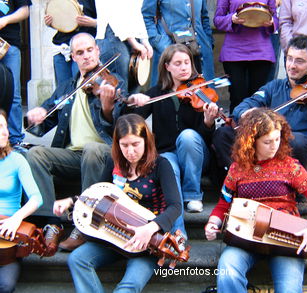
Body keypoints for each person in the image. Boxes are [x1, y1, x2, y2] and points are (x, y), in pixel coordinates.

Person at [205, 108, 307, 293]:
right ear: (251, 142)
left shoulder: (290, 166)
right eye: (267, 142)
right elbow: (223, 204)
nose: (274, 146)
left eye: (277, 139)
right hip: (246, 238)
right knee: (228, 272)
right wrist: (212, 222)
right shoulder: (236, 169)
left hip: (286, 239)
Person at [53, 113, 182, 293]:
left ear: (146, 140)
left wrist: (150, 228)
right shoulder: (114, 163)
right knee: (77, 260)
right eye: (124, 145)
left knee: (128, 287)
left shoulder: (161, 165)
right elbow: (96, 194)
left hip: (146, 242)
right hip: (113, 235)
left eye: (136, 144)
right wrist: (71, 200)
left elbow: (175, 206)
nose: (130, 151)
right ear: (117, 144)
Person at [25, 32, 127, 252]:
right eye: (80, 53)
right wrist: (36, 114)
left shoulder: (115, 82)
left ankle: (84, 223)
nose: (86, 56)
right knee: (35, 154)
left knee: (91, 148)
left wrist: (108, 109)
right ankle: (52, 224)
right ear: (73, 57)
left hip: (104, 154)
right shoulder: (67, 87)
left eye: (90, 50)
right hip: (73, 156)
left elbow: (121, 124)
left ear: (98, 51)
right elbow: (44, 120)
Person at [212, 35, 307, 188]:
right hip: (265, 150)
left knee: (298, 140)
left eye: (299, 61)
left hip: (298, 157)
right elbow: (243, 107)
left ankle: (297, 194)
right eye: (289, 59)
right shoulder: (274, 87)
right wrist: (247, 113)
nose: (292, 65)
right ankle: (246, 183)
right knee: (223, 134)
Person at [128, 44, 219, 219]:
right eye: (177, 63)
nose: (184, 67)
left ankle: (193, 195)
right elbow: (132, 120)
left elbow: (207, 138)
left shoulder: (199, 92)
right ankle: (177, 232)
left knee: (188, 136)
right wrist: (133, 100)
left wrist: (208, 121)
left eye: (187, 62)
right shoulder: (157, 93)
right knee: (168, 166)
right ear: (167, 66)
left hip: (196, 156)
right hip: (167, 153)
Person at [0, 109, 43, 293]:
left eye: (4, 126)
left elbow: (36, 198)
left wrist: (16, 218)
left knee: (5, 285)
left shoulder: (17, 160)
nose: (4, 132)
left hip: (8, 237)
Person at [214, 0, 278, 113]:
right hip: (234, 53)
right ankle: (236, 128)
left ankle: (257, 129)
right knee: (237, 97)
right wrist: (232, 19)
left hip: (261, 52)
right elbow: (218, 20)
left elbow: (276, 20)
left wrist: (271, 21)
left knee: (258, 99)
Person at [142, 0, 215, 86]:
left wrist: (208, 41)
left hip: (200, 50)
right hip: (168, 47)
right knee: (167, 94)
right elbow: (147, 17)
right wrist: (159, 42)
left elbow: (204, 17)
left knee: (205, 95)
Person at [95, 0, 153, 92]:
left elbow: (135, 10)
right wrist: (134, 42)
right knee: (121, 91)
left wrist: (144, 40)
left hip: (132, 36)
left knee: (134, 91)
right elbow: (114, 11)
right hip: (113, 34)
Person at [44, 0, 97, 86]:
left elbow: (104, 21)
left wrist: (93, 23)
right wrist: (50, 22)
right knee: (63, 90)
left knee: (81, 86)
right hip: (62, 47)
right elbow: (60, 19)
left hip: (83, 48)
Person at [0, 0, 31, 147]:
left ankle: (15, 139)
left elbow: (25, 10)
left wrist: (5, 20)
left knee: (14, 93)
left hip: (9, 44)